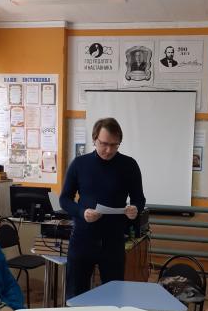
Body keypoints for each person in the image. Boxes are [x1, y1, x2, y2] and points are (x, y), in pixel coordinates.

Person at [60, 117, 145, 299]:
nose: (108, 150)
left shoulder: (129, 165)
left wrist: (135, 208)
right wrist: (82, 212)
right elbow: (64, 199)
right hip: (82, 240)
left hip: (113, 242)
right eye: (104, 144)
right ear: (94, 139)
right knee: (75, 295)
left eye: (114, 145)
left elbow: (139, 198)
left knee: (113, 296)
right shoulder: (79, 164)